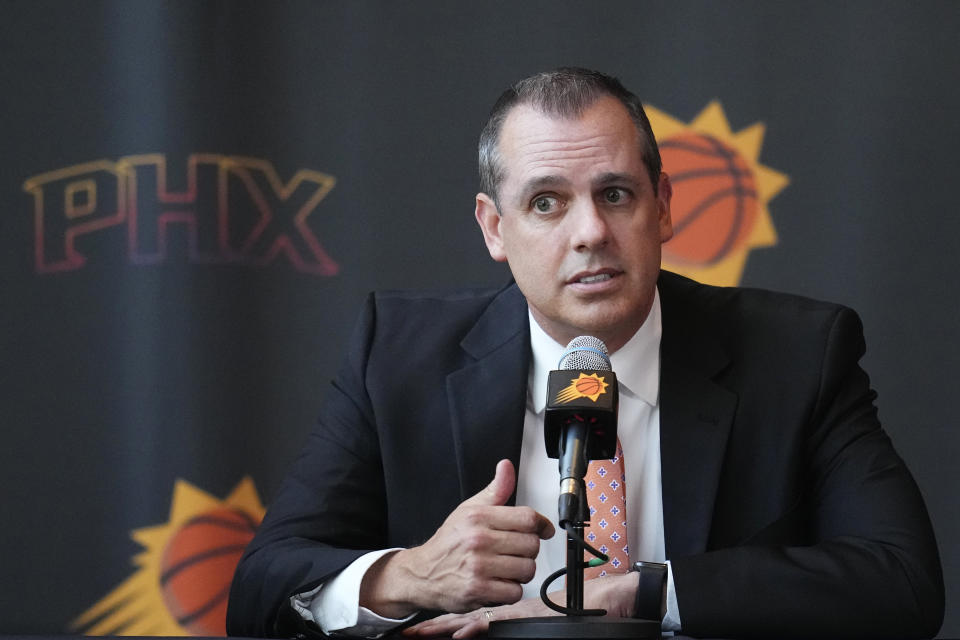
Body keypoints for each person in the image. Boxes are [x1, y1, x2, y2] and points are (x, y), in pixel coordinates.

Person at [226, 68, 944, 639]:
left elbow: (901, 583)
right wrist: (412, 575)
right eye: (546, 202)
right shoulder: (399, 356)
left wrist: (639, 593)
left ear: (663, 206)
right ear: (494, 229)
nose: (591, 232)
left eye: (617, 194)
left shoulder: (797, 355)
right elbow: (261, 591)